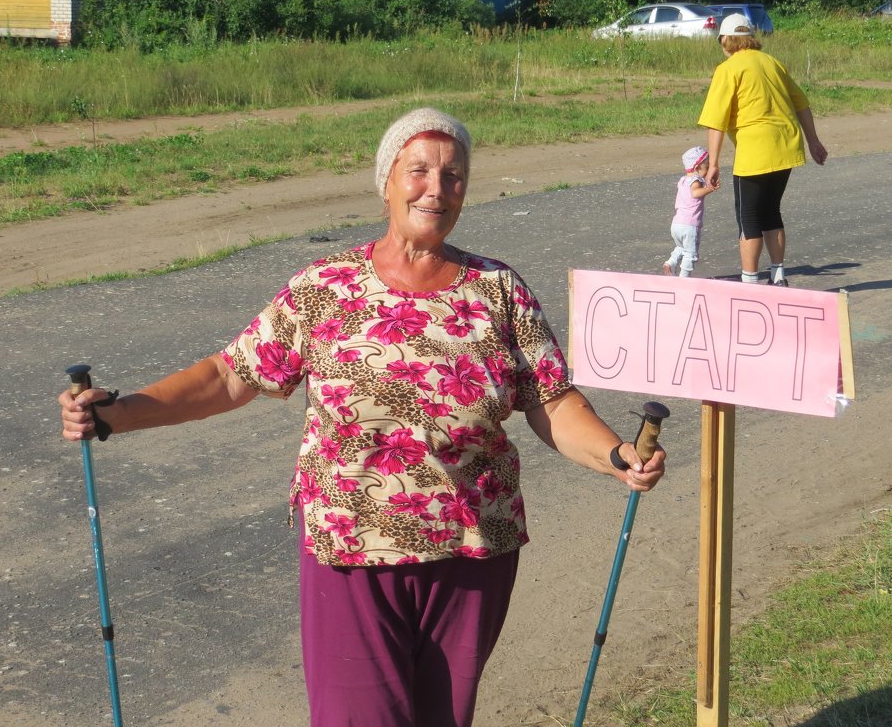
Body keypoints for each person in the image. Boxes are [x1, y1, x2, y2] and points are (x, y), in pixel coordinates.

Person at [58, 107, 666, 727]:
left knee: (442, 718)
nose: (437, 189)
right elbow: (229, 375)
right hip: (352, 550)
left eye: (453, 176)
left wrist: (617, 457)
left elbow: (551, 401)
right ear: (386, 181)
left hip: (471, 550)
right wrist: (120, 414)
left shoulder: (499, 290)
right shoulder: (326, 286)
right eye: (419, 170)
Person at [698, 13, 828, 286]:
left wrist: (713, 164)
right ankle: (778, 275)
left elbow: (715, 122)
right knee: (771, 211)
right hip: (786, 146)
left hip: (755, 151)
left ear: (725, 40)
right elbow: (801, 103)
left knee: (749, 218)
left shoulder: (728, 69)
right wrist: (813, 141)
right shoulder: (773, 63)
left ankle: (749, 282)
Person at [662, 145, 715, 277]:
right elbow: (695, 193)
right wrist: (710, 189)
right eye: (707, 166)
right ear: (697, 168)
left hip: (677, 224)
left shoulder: (683, 180)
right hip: (689, 225)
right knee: (691, 253)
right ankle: (684, 279)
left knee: (681, 248)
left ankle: (671, 262)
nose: (708, 169)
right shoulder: (695, 180)